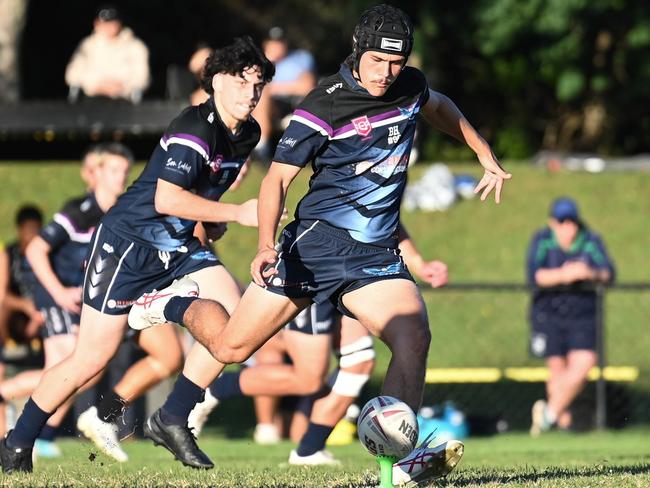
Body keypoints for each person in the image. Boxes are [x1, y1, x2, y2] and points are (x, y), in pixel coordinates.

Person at [126, 4, 509, 484]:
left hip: (374, 256)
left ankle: (398, 461)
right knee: (230, 347)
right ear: (357, 50)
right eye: (377, 62)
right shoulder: (322, 104)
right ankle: (173, 304)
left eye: (397, 63)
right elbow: (277, 181)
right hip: (313, 248)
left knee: (413, 337)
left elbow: (438, 106)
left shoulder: (409, 85)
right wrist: (265, 244)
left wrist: (482, 151)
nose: (387, 74)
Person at [0, 36, 273, 474]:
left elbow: (201, 193)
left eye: (258, 84)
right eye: (241, 82)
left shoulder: (248, 134)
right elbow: (166, 199)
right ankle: (18, 441)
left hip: (178, 248)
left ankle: (170, 416)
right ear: (216, 82)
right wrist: (235, 213)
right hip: (128, 246)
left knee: (236, 329)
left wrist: (212, 221)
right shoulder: (194, 128)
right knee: (90, 359)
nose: (251, 93)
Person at [188, 234, 449, 469]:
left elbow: (387, 215)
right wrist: (264, 240)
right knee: (309, 378)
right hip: (318, 263)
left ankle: (310, 450)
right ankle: (212, 390)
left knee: (360, 362)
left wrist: (418, 263)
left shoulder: (392, 179)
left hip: (362, 266)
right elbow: (278, 181)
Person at [0, 145, 132, 459]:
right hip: (57, 297)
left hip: (82, 302)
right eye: (113, 170)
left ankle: (41, 435)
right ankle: (9, 399)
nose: (121, 177)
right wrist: (59, 292)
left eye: (125, 171)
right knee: (71, 366)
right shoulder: (80, 210)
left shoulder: (119, 212)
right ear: (95, 173)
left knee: (85, 368)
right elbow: (35, 251)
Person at [527, 197, 615, 436]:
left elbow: (608, 273)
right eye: (562, 221)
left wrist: (589, 272)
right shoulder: (543, 241)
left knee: (584, 364)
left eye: (572, 221)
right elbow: (536, 276)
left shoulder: (590, 241)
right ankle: (562, 426)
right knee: (557, 369)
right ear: (552, 223)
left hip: (583, 314)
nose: (568, 227)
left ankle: (547, 416)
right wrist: (565, 275)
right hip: (549, 313)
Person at [0, 206, 44, 438]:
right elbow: (3, 295)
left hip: (43, 319)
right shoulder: (9, 253)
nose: (32, 236)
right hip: (15, 320)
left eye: (36, 231)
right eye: (28, 231)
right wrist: (26, 306)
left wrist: (38, 316)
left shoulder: (47, 254)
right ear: (19, 231)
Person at [252, 26, 316, 161]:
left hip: (288, 104)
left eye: (280, 43)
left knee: (263, 92)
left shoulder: (300, 59)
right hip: (257, 103)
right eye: (273, 42)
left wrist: (273, 88)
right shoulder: (258, 63)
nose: (276, 46)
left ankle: (261, 148)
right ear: (266, 44)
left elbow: (307, 86)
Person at [65, 6, 150, 103]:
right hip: (91, 101)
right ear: (96, 24)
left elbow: (142, 76)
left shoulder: (135, 46)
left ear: (119, 23)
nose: (108, 27)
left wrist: (121, 87)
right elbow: (73, 73)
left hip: (124, 101)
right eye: (104, 23)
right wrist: (95, 85)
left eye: (112, 23)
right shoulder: (87, 45)